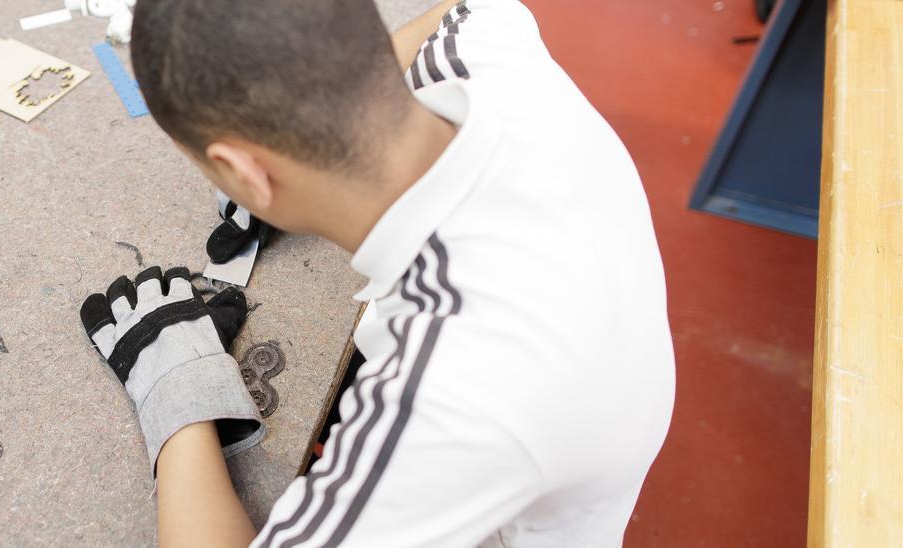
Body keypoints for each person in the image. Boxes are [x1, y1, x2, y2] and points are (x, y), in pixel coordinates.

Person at [77, 0, 677, 546]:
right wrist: (310, 130)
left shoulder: (453, 395)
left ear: (245, 174)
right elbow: (471, 7)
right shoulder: (491, 50)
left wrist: (175, 385)